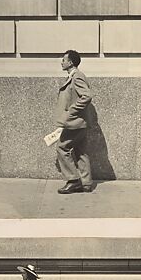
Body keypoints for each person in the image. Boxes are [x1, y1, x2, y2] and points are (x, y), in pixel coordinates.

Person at [55, 49, 94, 194]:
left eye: (64, 60)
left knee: (62, 147)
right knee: (80, 151)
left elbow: (87, 96)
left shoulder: (77, 76)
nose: (62, 62)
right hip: (79, 122)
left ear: (70, 62)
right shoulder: (74, 76)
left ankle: (73, 181)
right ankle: (86, 183)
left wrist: (71, 110)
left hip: (75, 122)